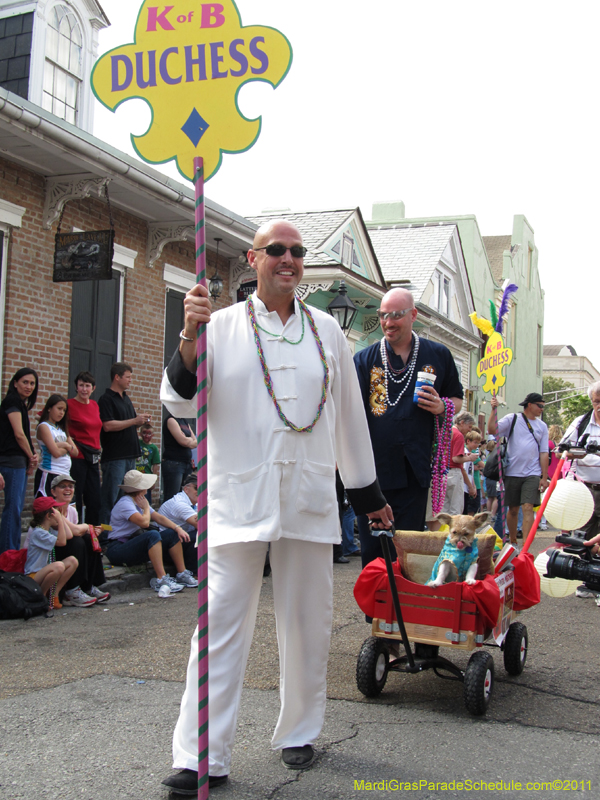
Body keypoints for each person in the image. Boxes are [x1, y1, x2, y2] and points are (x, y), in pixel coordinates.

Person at [160, 220, 392, 794]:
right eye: (276, 250)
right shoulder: (218, 326)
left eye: (297, 251)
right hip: (238, 496)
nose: (288, 259)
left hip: (308, 497)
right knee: (218, 623)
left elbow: (349, 417)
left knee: (308, 620)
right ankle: (200, 754)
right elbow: (180, 399)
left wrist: (367, 495)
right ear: (253, 258)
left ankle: (299, 731)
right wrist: (189, 334)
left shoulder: (327, 331)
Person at [353, 288, 463, 557]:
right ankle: (376, 586)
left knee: (407, 549)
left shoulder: (437, 355)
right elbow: (350, 412)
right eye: (383, 315)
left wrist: (442, 407)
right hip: (374, 472)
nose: (388, 322)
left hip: (416, 469)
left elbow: (457, 399)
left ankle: (402, 587)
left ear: (413, 315)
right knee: (374, 550)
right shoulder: (364, 359)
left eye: (396, 315)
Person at [105, 470, 198, 594]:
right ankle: (161, 579)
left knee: (171, 533)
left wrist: (177, 528)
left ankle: (182, 574)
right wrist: (145, 508)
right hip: (118, 548)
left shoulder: (139, 501)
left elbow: (159, 518)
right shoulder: (126, 503)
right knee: (152, 535)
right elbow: (144, 523)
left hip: (132, 542)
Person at [488, 392, 549, 548]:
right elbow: (493, 430)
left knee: (528, 507)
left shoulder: (542, 426)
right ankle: (513, 540)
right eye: (539, 405)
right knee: (513, 509)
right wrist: (493, 410)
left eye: (543, 406)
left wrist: (544, 477)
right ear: (530, 405)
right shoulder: (513, 418)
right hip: (512, 472)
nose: (542, 408)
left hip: (533, 473)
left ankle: (526, 545)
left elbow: (544, 452)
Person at [560, 382, 600, 597]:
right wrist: (577, 452)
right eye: (596, 402)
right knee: (585, 534)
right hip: (586, 488)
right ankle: (588, 580)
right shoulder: (581, 423)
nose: (599, 406)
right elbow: (562, 450)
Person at [98, 362, 151, 524]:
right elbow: (107, 425)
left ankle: (121, 532)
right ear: (117, 377)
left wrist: (140, 421)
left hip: (130, 455)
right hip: (115, 457)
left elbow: (130, 423)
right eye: (127, 377)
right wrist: (134, 420)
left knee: (127, 499)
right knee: (110, 498)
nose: (130, 380)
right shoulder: (106, 399)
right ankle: (105, 534)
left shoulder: (126, 399)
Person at [48, 474, 109, 606]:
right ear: (53, 492)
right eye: (62, 486)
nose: (67, 490)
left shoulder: (72, 511)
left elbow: (77, 531)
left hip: (63, 549)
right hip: (49, 554)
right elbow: (74, 532)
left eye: (70, 486)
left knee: (89, 539)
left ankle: (88, 586)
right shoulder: (52, 510)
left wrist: (91, 531)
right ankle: (72, 590)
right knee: (78, 542)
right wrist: (88, 526)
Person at [0, 368, 40, 554]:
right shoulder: (12, 401)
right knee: (13, 510)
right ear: (15, 383)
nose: (29, 386)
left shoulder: (22, 404)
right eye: (25, 382)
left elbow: (24, 436)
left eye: (32, 383)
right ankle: (8, 554)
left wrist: (31, 455)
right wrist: (31, 456)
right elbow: (18, 434)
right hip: (11, 461)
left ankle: (13, 552)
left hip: (19, 461)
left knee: (16, 509)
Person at [23, 496, 78, 608]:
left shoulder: (48, 530)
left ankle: (54, 595)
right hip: (33, 576)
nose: (59, 514)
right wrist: (60, 521)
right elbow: (62, 542)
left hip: (44, 573)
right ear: (48, 516)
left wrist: (60, 518)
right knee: (59, 566)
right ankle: (42, 598)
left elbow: (68, 535)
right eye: (56, 512)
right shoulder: (38, 533)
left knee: (72, 561)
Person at [67, 371, 103, 525]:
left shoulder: (94, 405)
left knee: (94, 498)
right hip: (78, 457)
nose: (84, 389)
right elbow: (45, 417)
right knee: (77, 496)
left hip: (93, 457)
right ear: (76, 387)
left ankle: (92, 533)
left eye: (87, 386)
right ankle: (76, 530)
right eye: (81, 385)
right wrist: (69, 439)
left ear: (93, 388)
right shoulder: (68, 405)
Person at [34, 394, 78, 496]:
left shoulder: (62, 429)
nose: (61, 413)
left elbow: (75, 452)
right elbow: (56, 453)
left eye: (64, 410)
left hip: (65, 474)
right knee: (50, 505)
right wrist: (66, 445)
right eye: (59, 409)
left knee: (68, 505)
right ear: (49, 408)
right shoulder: (44, 426)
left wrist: (63, 445)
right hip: (50, 472)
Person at [158, 472, 198, 575]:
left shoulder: (195, 502)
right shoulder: (180, 504)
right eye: (197, 488)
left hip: (178, 540)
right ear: (186, 489)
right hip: (168, 546)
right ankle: (193, 573)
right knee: (200, 535)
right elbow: (202, 525)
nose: (201, 491)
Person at [161, 413, 196, 501]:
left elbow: (196, 441)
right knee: (172, 497)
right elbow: (183, 441)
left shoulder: (184, 421)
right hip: (174, 463)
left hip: (186, 463)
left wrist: (188, 440)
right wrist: (189, 440)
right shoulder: (171, 420)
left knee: (186, 496)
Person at [136, 422, 161, 503]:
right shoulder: (137, 443)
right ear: (140, 434)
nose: (146, 436)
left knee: (145, 500)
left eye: (149, 434)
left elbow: (155, 465)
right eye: (144, 433)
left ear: (152, 435)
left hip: (146, 478)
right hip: (136, 476)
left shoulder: (154, 448)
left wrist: (153, 481)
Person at [463, 429, 482, 515]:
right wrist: (470, 486)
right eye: (475, 442)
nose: (477, 445)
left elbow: (471, 472)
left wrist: (473, 486)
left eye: (478, 443)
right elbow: (464, 470)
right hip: (464, 487)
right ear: (468, 441)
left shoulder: (471, 454)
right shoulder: (465, 452)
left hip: (469, 487)